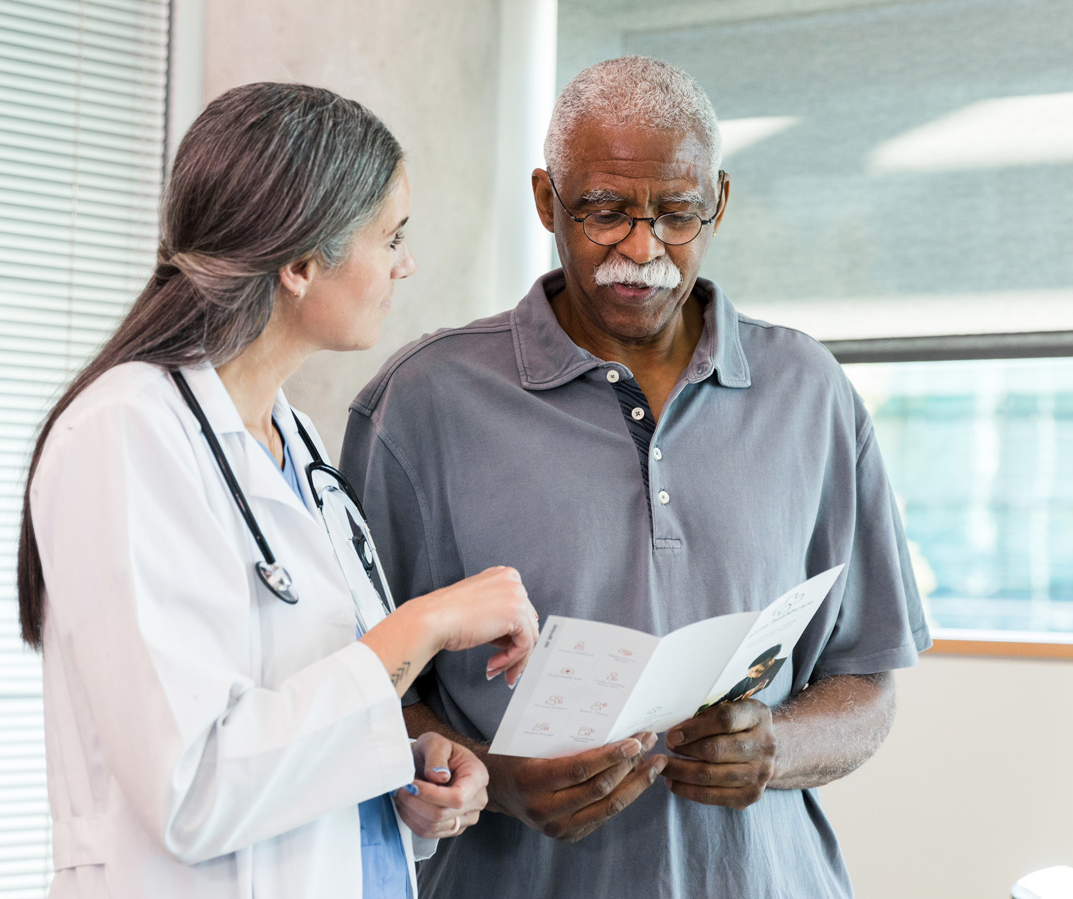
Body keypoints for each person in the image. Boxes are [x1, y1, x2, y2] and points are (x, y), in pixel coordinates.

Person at [340, 56, 930, 898]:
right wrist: (496, 780)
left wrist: (776, 747)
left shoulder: (811, 392)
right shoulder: (422, 403)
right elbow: (353, 691)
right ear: (547, 200)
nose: (642, 248)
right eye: (605, 211)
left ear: (718, 201)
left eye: (677, 214)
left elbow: (867, 681)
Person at [16, 83, 540, 899]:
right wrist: (425, 624)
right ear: (299, 264)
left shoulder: (291, 440)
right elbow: (192, 787)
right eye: (390, 236)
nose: (406, 263)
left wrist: (407, 775)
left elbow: (299, 724)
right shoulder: (125, 433)